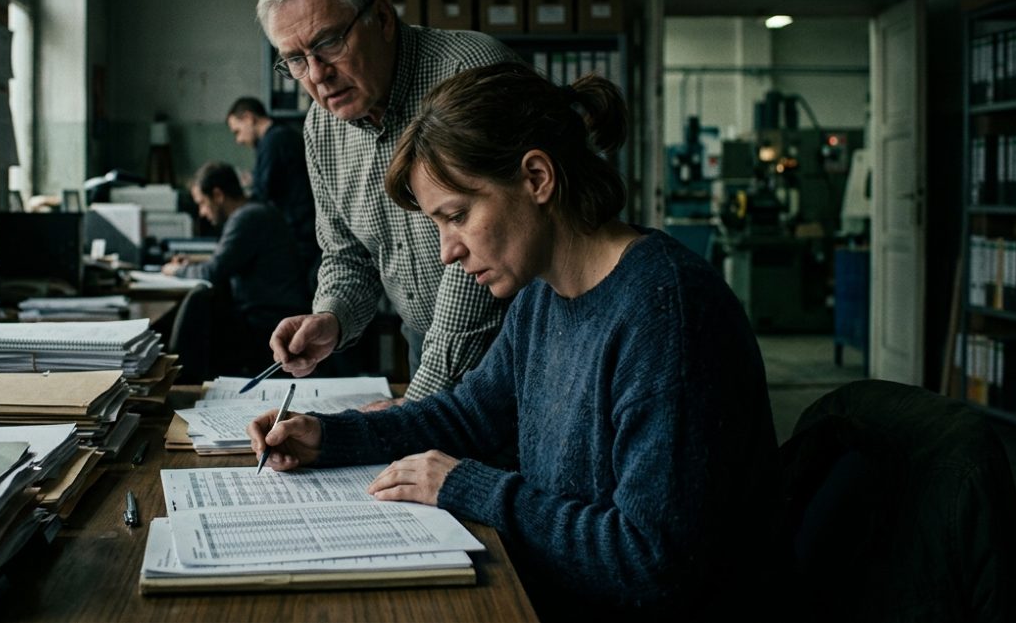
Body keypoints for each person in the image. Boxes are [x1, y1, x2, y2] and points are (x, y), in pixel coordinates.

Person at [247, 63, 785, 621]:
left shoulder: (667, 313)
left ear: (536, 178)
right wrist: (328, 437)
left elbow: (650, 562)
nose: (447, 252)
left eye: (458, 215)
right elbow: (466, 418)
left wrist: (467, 486)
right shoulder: (541, 296)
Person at [257, 0, 519, 400]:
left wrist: (416, 408)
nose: (316, 75)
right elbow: (347, 255)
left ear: (381, 17)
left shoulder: (468, 73)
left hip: (521, 345)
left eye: (328, 43)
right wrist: (331, 316)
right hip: (428, 346)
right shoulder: (321, 127)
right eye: (296, 59)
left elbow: (483, 254)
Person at [163, 161, 310, 374]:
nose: (202, 212)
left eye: (202, 203)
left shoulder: (246, 217)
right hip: (271, 314)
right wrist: (193, 263)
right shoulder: (257, 210)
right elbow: (225, 258)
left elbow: (212, 272)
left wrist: (175, 271)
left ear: (217, 195)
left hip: (265, 321)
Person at [225, 97, 320, 293]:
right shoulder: (281, 136)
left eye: (237, 131)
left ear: (249, 118)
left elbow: (262, 193)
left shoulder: (274, 140)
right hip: (305, 230)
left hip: (302, 234)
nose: (238, 140)